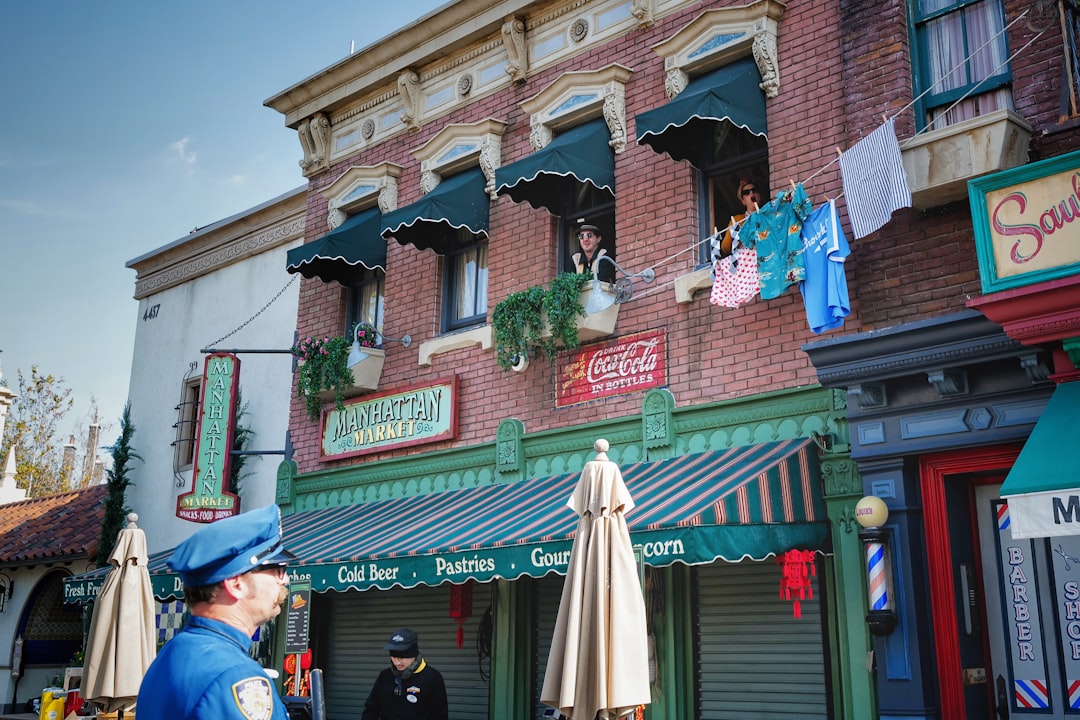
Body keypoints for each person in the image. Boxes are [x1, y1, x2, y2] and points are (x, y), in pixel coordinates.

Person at [137, 504, 295, 720]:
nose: (284, 579)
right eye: (278, 569)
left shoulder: (173, 652)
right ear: (236, 584)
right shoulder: (235, 675)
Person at [361, 628, 448, 720]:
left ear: (413, 654)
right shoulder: (385, 676)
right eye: (393, 657)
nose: (397, 662)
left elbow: (440, 715)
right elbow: (371, 709)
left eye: (402, 657)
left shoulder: (432, 677)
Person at [720, 177, 765, 255]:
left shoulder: (767, 216)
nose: (751, 193)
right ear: (743, 201)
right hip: (745, 263)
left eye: (754, 190)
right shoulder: (737, 220)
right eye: (746, 192)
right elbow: (725, 248)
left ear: (759, 196)